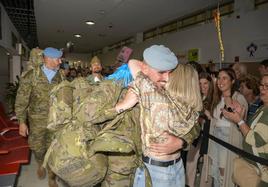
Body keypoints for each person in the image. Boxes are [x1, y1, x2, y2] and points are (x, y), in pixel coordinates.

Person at [115, 45, 202, 187]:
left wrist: (150, 69)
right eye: (163, 72)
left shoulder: (156, 97)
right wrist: (182, 142)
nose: (166, 78)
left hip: (155, 171)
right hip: (177, 167)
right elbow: (196, 128)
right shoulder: (191, 109)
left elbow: (132, 63)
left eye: (170, 73)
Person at [15, 47, 63, 187]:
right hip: (37, 121)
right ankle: (40, 163)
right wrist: (22, 122)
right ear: (48, 59)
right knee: (38, 148)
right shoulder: (31, 76)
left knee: (53, 148)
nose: (60, 61)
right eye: (57, 59)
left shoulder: (60, 76)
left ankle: (52, 177)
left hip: (55, 121)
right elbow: (21, 100)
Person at [222, 73, 268, 187]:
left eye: (267, 86)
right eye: (262, 85)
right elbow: (250, 131)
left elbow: (256, 140)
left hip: (262, 170)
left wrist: (239, 121)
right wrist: (241, 118)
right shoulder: (262, 108)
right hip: (253, 165)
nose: (263, 88)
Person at [204, 68, 248, 187]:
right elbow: (217, 120)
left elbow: (237, 119)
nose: (220, 81)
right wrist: (210, 117)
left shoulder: (239, 98)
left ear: (233, 81)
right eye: (218, 78)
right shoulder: (217, 98)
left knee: (225, 172)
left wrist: (228, 97)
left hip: (229, 140)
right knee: (216, 170)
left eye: (224, 78)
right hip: (216, 139)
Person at [186, 72, 214, 187]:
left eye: (205, 83)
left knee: (207, 164)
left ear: (210, 84)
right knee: (190, 160)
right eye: (200, 83)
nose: (202, 86)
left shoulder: (215, 99)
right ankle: (189, 184)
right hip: (197, 134)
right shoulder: (197, 97)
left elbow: (215, 118)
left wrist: (207, 115)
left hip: (210, 135)